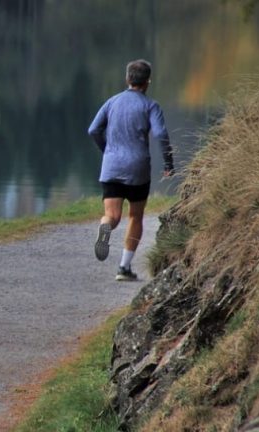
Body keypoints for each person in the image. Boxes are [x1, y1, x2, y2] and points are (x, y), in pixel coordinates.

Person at [87, 59, 174, 281]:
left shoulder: (112, 102)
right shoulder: (150, 106)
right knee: (135, 216)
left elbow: (93, 129)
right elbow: (161, 134)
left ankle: (105, 228)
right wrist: (168, 162)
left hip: (112, 166)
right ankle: (124, 268)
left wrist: (107, 150)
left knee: (112, 215)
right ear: (147, 82)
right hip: (138, 168)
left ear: (127, 79)